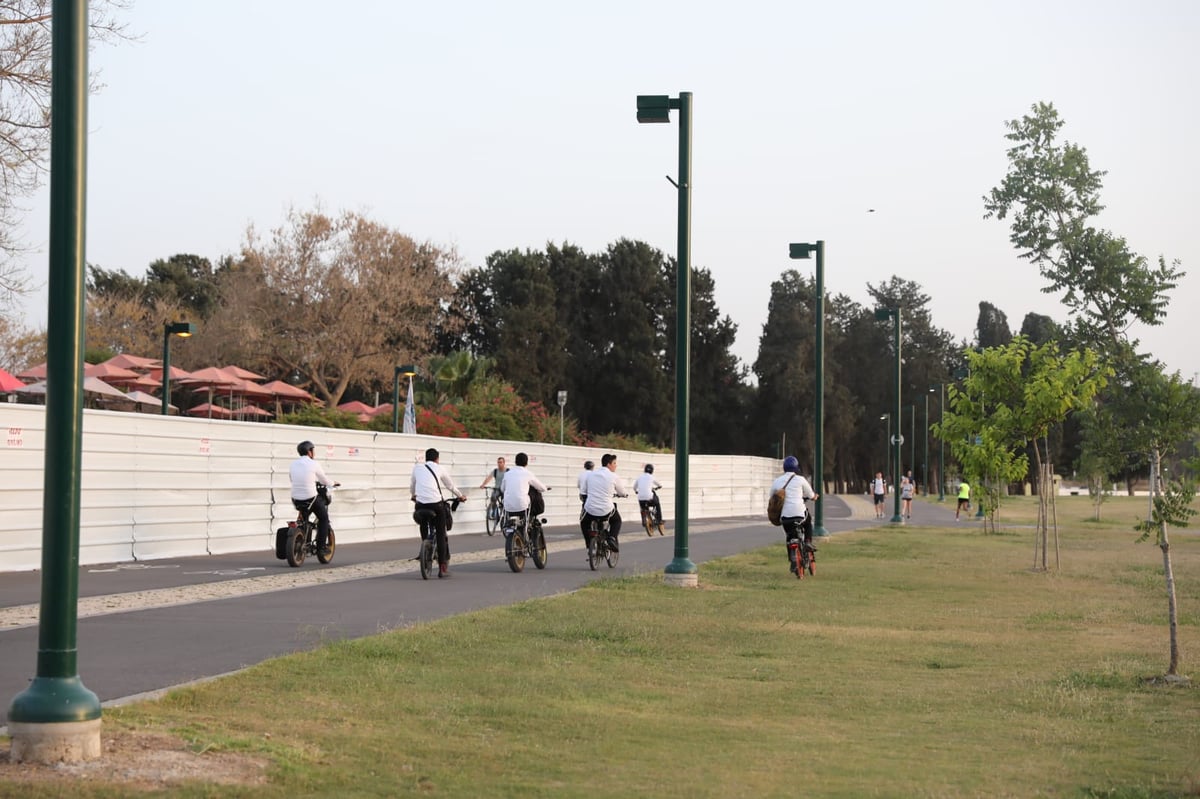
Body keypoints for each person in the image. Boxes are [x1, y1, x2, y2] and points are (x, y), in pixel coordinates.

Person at [410, 447, 468, 578]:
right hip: (436, 504)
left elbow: (412, 485)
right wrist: (460, 496)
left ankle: (424, 547)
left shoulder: (417, 468)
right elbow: (450, 486)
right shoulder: (439, 468)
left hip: (420, 504)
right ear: (437, 459)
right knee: (441, 533)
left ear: (426, 458)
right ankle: (442, 568)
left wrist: (414, 495)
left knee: (423, 523)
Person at [289, 440, 339, 559]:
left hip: (295, 499)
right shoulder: (314, 464)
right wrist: (334, 483)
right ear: (309, 452)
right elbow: (324, 481)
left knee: (304, 516)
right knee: (323, 518)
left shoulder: (293, 464)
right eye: (313, 450)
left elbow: (292, 479)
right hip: (310, 498)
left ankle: (301, 532)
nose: (314, 453)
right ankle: (321, 548)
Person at [772, 455, 818, 574]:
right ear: (796, 467)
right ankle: (807, 542)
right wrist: (814, 497)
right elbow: (810, 494)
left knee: (789, 535)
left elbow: (772, 497)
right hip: (799, 514)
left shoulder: (777, 481)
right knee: (808, 521)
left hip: (785, 517)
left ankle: (792, 560)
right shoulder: (800, 479)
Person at [580, 453, 629, 552]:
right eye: (614, 463)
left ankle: (589, 544)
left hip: (590, 509)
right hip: (606, 510)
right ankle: (612, 538)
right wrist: (624, 495)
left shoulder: (591, 475)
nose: (616, 465)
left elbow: (583, 491)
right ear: (608, 464)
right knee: (616, 521)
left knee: (584, 522)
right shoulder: (613, 476)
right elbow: (622, 492)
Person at [501, 452, 550, 534]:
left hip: (508, 506)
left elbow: (502, 489)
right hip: (522, 506)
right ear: (526, 463)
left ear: (515, 462)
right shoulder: (528, 474)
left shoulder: (507, 474)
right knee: (528, 514)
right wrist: (545, 488)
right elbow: (540, 487)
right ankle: (527, 531)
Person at [634, 463, 664, 534]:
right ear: (652, 471)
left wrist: (636, 491)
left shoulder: (639, 477)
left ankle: (643, 517)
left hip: (641, 498)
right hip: (650, 498)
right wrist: (658, 487)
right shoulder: (651, 477)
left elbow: (634, 487)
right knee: (657, 502)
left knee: (642, 507)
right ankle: (659, 520)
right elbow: (659, 484)